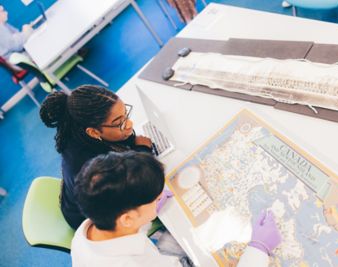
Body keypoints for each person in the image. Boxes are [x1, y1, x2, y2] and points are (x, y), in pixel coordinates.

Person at [71, 151, 282, 267]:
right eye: (154, 199)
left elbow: (126, 229)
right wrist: (258, 249)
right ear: (127, 218)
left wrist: (148, 209)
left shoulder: (91, 229)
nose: (158, 199)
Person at [40, 85, 153, 229]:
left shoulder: (80, 130)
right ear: (93, 132)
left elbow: (120, 140)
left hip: (78, 199)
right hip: (94, 219)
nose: (129, 124)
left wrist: (129, 138)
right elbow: (136, 187)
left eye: (125, 114)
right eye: (119, 122)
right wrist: (143, 150)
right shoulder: (93, 171)